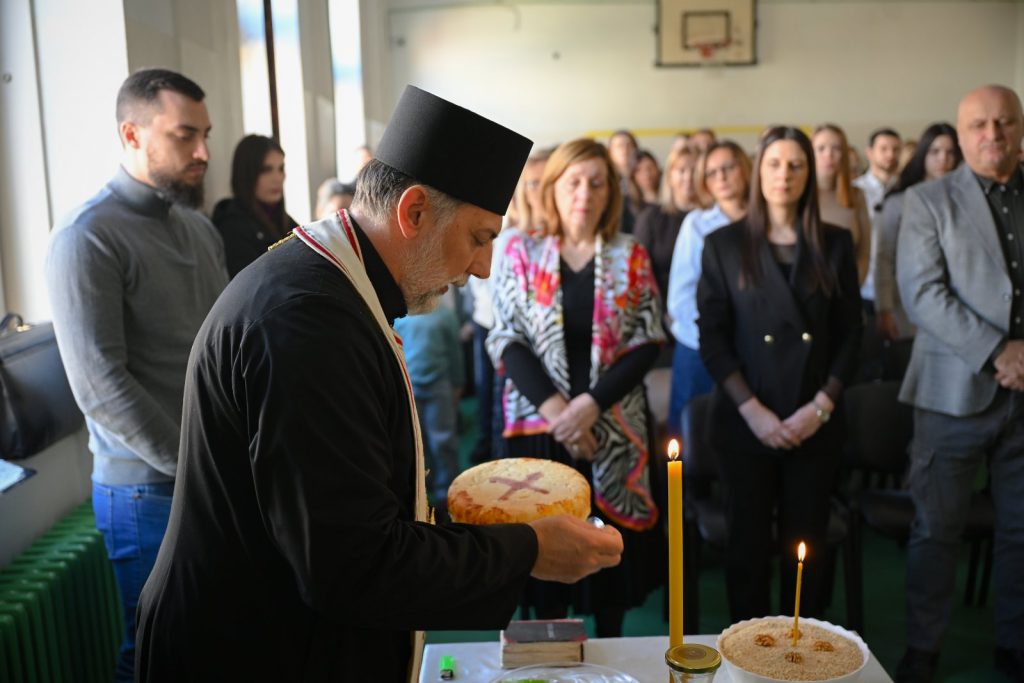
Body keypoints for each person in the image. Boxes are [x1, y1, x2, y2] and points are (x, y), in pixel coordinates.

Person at [134, 86, 623, 683]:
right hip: (246, 650)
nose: (482, 268)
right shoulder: (307, 323)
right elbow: (352, 564)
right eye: (478, 237)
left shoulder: (334, 287)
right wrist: (530, 550)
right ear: (414, 212)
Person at [45, 68, 228, 682]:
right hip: (147, 490)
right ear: (132, 134)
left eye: (205, 135)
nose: (203, 153)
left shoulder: (198, 229)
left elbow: (220, 352)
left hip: (210, 474)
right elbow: (100, 385)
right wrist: (195, 465)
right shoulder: (85, 236)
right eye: (184, 136)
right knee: (158, 654)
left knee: (217, 642)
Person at [487, 138, 664, 637]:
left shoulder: (630, 254)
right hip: (541, 430)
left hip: (612, 427)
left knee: (608, 565)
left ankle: (610, 650)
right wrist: (561, 414)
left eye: (597, 183)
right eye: (574, 182)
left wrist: (589, 407)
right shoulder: (520, 250)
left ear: (611, 193)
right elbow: (507, 338)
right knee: (544, 559)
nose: (584, 193)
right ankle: (549, 658)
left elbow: (647, 340)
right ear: (552, 188)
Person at [696, 126, 862, 623]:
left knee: (805, 549)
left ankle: (801, 650)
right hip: (746, 419)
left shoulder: (835, 243)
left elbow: (851, 334)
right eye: (774, 164)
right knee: (746, 549)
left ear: (810, 174)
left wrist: (822, 406)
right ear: (758, 171)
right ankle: (746, 649)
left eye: (795, 165)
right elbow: (713, 338)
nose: (783, 175)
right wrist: (753, 411)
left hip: (814, 419)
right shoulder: (724, 245)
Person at [894, 85, 1024, 683]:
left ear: (1020, 128)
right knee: (936, 530)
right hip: (952, 394)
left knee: (1020, 531)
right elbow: (922, 293)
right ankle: (924, 647)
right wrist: (999, 351)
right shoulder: (927, 199)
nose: (993, 133)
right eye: (979, 124)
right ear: (961, 130)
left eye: (1004, 122)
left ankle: (1014, 643)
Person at [467, 147, 553, 464]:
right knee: (494, 399)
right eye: (533, 183)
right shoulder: (510, 240)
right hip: (499, 330)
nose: (540, 191)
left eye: (547, 181)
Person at [665, 140, 751, 438]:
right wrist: (716, 339)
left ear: (745, 169)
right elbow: (681, 298)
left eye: (728, 168)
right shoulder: (697, 223)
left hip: (751, 346)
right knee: (690, 433)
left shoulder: (762, 221)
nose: (721, 177)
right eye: (712, 172)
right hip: (699, 344)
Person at [873, 123, 961, 378]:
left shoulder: (965, 200)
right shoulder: (900, 201)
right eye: (935, 151)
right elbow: (885, 256)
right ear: (923, 154)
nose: (943, 159)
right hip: (907, 308)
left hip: (958, 311)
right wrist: (884, 308)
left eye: (950, 152)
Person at [393, 296, 464, 508]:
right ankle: (425, 484)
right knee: (417, 440)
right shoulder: (400, 317)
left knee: (443, 439)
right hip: (411, 385)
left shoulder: (445, 315)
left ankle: (447, 490)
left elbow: (455, 352)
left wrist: (457, 383)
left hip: (439, 387)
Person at [635, 144, 699, 347]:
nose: (688, 177)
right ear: (670, 175)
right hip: (661, 322)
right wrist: (663, 315)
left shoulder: (710, 219)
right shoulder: (651, 218)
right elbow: (641, 276)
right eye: (681, 170)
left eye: (694, 170)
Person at [212, 134, 297, 277]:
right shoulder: (232, 226)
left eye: (281, 168)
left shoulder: (284, 220)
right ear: (247, 174)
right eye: (266, 170)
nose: (277, 178)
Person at [812, 124, 872, 284]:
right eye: (821, 148)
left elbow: (864, 252)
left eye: (836, 148)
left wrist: (853, 286)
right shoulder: (801, 196)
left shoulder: (856, 195)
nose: (829, 155)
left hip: (847, 288)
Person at [853, 127, 901, 310]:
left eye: (895, 149)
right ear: (870, 152)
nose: (890, 155)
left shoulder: (909, 191)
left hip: (900, 287)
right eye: (884, 149)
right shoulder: (855, 191)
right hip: (865, 286)